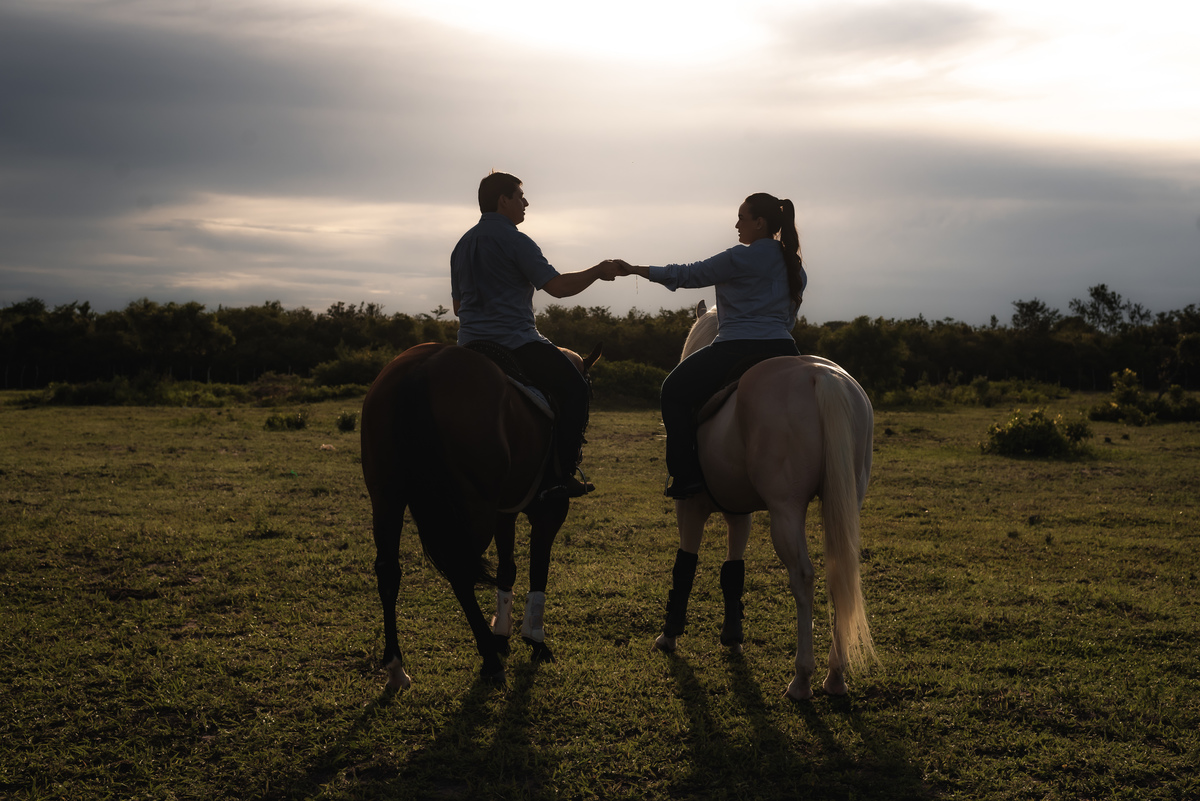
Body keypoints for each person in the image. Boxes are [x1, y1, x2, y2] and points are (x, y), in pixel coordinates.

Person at [612, 192, 806, 499]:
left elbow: (687, 274)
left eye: (742, 218)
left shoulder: (737, 258)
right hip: (785, 349)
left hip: (736, 348)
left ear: (759, 222)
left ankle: (686, 476)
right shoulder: (795, 267)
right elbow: (790, 318)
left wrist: (637, 269)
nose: (736, 225)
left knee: (672, 392)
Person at [451, 171, 621, 499]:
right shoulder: (516, 240)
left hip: (469, 346)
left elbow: (459, 307)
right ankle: (561, 476)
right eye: (519, 196)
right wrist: (598, 272)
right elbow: (557, 288)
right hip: (514, 344)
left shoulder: (462, 245)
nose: (525, 202)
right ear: (503, 200)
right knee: (576, 388)